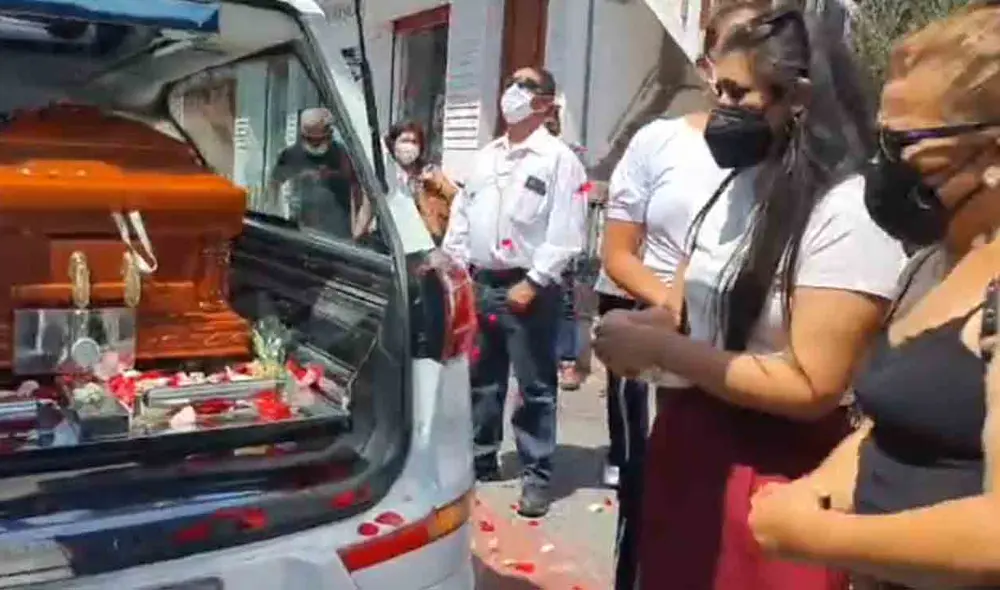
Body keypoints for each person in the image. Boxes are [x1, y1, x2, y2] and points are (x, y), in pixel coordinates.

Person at [593, 6, 905, 590]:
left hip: (776, 476)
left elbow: (813, 385)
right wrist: (642, 329)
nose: (721, 108)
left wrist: (663, 351)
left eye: (738, 93)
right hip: (691, 457)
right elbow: (688, 311)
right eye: (718, 88)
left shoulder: (846, 211)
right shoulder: (737, 185)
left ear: (798, 98)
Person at [745, 4, 1000, 589]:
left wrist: (814, 537)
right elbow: (899, 422)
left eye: (903, 141)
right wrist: (814, 490)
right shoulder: (936, 263)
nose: (882, 163)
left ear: (990, 153)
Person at [599, 2, 769, 588]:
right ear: (707, 61)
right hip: (664, 354)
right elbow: (618, 252)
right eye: (736, 41)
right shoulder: (660, 141)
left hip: (751, 365)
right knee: (650, 495)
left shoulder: (790, 153)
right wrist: (676, 308)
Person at [442, 66, 588, 518]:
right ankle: (481, 458)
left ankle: (536, 475)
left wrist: (536, 280)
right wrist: (453, 266)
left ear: (544, 103)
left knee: (534, 387)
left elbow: (567, 232)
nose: (512, 92)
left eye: (524, 86)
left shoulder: (559, 160)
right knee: (482, 381)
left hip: (529, 288)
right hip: (483, 283)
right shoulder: (487, 156)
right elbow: (463, 215)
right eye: (511, 82)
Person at [544, 104, 586, 391]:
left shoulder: (568, 159)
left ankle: (567, 362)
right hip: (527, 246)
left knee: (564, 305)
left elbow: (577, 203)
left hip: (560, 245)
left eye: (551, 123)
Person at [268, 107, 356, 238]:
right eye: (311, 139)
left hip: (338, 233)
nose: (315, 144)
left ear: (329, 134)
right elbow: (274, 184)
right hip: (301, 229)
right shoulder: (291, 155)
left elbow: (354, 186)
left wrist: (357, 227)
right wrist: (275, 215)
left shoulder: (341, 154)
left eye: (319, 139)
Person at [385, 120, 458, 245]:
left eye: (414, 142)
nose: (409, 146)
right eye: (404, 141)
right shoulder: (386, 173)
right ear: (393, 144)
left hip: (428, 242)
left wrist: (434, 182)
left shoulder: (430, 171)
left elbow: (456, 197)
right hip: (395, 243)